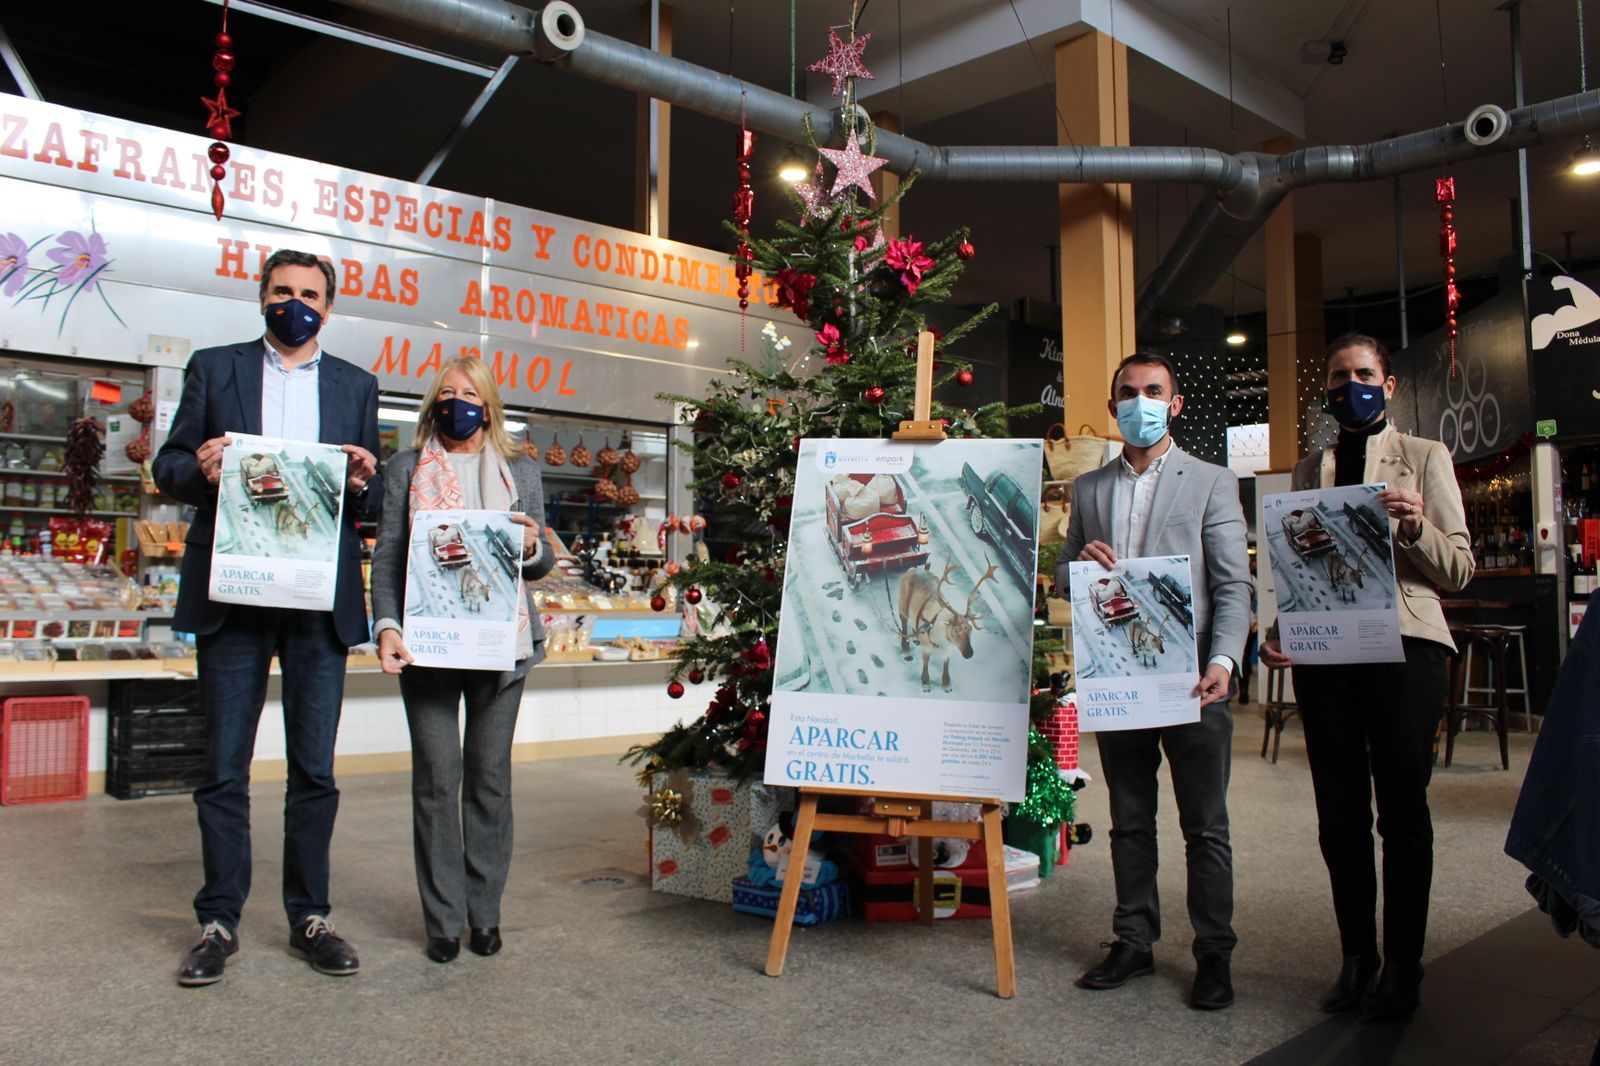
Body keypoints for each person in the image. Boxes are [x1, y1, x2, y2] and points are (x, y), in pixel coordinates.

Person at [153, 249, 381, 986]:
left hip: (319, 601)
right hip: (234, 591)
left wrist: (364, 481)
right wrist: (204, 468)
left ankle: (309, 916)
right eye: (282, 291)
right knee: (223, 767)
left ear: (329, 305)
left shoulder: (357, 385)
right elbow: (168, 467)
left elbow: (369, 501)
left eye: (310, 293)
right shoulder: (215, 369)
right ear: (260, 298)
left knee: (314, 768)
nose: (296, 303)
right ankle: (218, 921)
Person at [1260, 332, 1473, 1023]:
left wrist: (1412, 528)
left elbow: (1460, 569)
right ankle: (1358, 957)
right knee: (1339, 813)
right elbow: (1300, 568)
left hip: (1406, 648)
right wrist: (1279, 628)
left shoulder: (1424, 457)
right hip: (1329, 653)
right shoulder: (1307, 468)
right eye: (1337, 376)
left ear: (1388, 385)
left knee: (1403, 811)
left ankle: (1404, 967)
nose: (1348, 384)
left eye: (1362, 373)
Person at [1060, 352, 1251, 1011]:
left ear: (1174, 403)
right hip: (1119, 673)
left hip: (1192, 673)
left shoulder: (1210, 482)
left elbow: (1233, 585)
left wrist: (1223, 662)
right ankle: (1134, 940)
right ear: (1113, 405)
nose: (1139, 402)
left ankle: (1214, 954)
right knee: (1129, 816)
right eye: (1127, 393)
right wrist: (1079, 563)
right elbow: (1063, 574)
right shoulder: (1089, 489)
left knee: (1205, 823)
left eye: (1153, 391)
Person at [369, 357, 554, 964]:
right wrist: (387, 625)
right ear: (431, 406)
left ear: (490, 404)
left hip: (502, 645)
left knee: (489, 779)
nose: (457, 402)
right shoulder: (404, 470)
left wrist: (531, 546)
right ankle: (444, 920)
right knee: (435, 780)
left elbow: (540, 557)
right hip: (430, 646)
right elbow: (392, 553)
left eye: (469, 393)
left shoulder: (521, 471)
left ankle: (486, 912)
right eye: (446, 393)